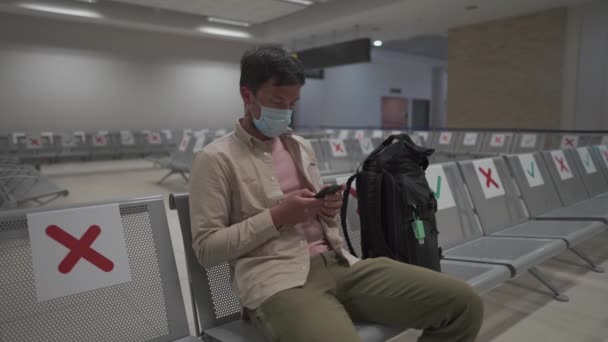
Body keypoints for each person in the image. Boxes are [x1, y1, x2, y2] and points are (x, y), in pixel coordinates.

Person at [189, 46, 483, 342]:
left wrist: (325, 208)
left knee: (464, 304)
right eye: (278, 101)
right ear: (247, 95)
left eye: (293, 103)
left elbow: (315, 214)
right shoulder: (215, 159)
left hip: (342, 264)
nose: (286, 111)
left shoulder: (300, 146)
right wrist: (277, 217)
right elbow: (206, 249)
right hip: (279, 280)